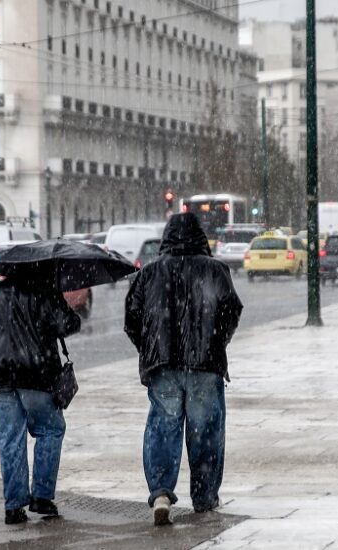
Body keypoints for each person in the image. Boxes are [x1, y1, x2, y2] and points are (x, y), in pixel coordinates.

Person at [124, 212, 243, 526]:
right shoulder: (216, 270)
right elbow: (231, 311)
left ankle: (161, 491)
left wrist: (150, 348)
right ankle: (204, 497)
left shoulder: (149, 273)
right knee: (206, 432)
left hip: (163, 364)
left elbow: (132, 319)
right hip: (205, 362)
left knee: (163, 427)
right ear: (200, 238)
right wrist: (217, 343)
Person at [0, 274, 81, 525]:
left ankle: (14, 506)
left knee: (10, 437)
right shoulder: (44, 291)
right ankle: (41, 495)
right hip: (36, 374)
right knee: (51, 429)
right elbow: (67, 325)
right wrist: (62, 303)